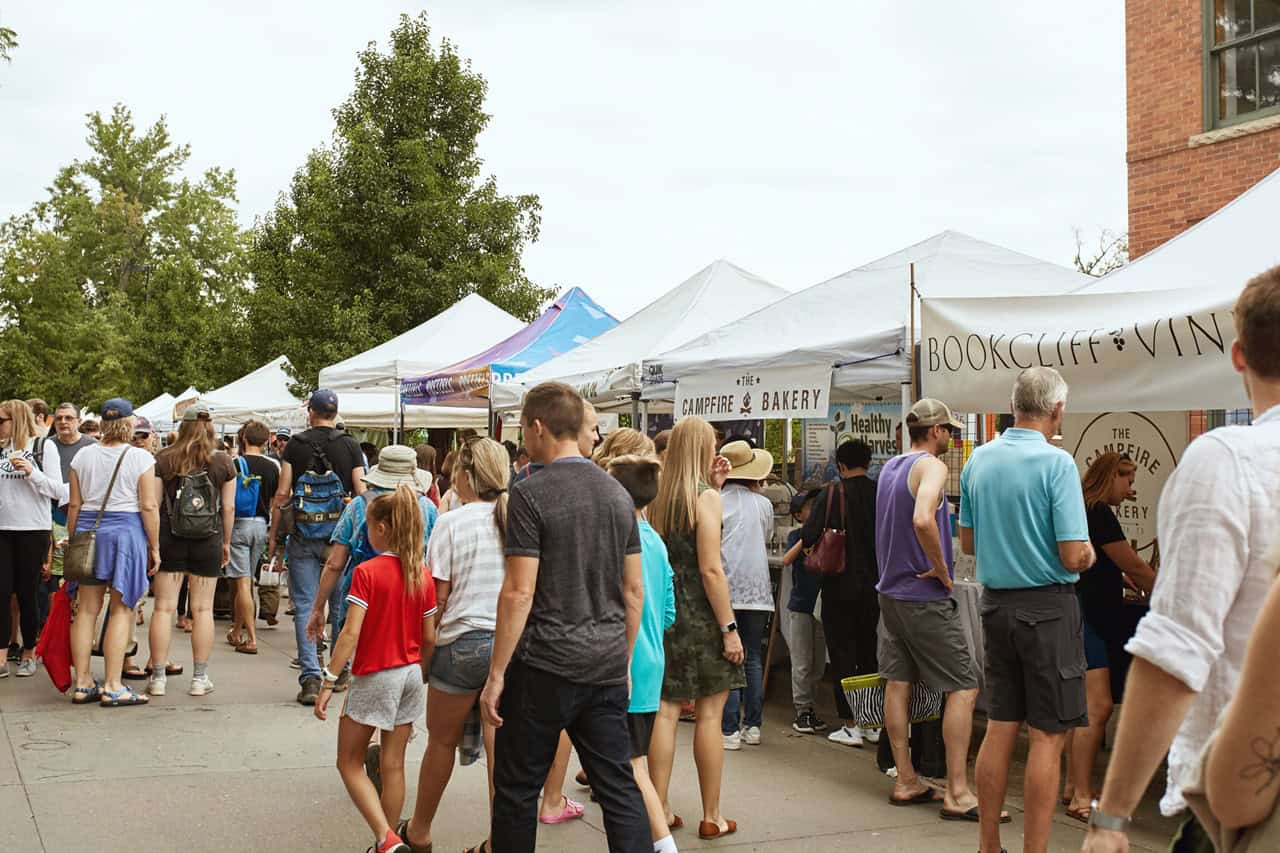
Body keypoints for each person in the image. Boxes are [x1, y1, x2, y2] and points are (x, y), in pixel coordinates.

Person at [1081, 269, 1280, 853]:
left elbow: (1176, 648)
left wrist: (1113, 816)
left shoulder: (1228, 461)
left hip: (1247, 799)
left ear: (1239, 355)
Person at [479, 382, 650, 852]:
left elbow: (519, 591)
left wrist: (496, 676)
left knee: (516, 791)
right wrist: (624, 658)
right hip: (605, 664)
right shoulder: (618, 496)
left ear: (538, 427)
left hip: (543, 665)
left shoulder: (530, 494)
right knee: (618, 787)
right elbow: (634, 590)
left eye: (523, 428)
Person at [960, 367, 1095, 853]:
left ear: (1014, 405)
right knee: (1047, 736)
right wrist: (1090, 554)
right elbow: (1072, 554)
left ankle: (989, 844)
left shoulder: (978, 459)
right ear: (1057, 410)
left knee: (999, 726)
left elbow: (968, 541)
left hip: (995, 606)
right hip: (1048, 608)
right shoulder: (1057, 464)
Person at [875, 399, 989, 817]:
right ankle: (958, 791)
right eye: (951, 432)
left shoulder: (890, 467)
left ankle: (905, 777)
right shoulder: (933, 467)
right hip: (923, 597)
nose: (953, 439)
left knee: (898, 682)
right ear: (937, 430)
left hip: (890, 594)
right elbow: (924, 519)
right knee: (964, 685)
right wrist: (941, 568)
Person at [400, 437, 509, 853]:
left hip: (461, 643)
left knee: (440, 743)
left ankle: (421, 831)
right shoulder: (521, 519)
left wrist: (424, 654)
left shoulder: (451, 523)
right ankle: (501, 839)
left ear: (465, 477)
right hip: (512, 645)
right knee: (505, 754)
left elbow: (437, 599)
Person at [315, 485, 437, 853]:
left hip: (376, 674)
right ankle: (388, 839)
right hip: (411, 673)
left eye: (368, 527)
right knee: (393, 763)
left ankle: (387, 839)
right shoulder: (423, 575)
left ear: (382, 528)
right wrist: (423, 670)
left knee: (349, 761)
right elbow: (429, 635)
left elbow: (350, 633)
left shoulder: (367, 573)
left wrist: (328, 680)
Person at [647, 416, 743, 841]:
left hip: (664, 610)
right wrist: (730, 627)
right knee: (709, 712)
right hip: (701, 614)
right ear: (703, 450)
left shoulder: (655, 498)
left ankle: (660, 808)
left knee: (665, 710)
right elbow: (710, 569)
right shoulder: (706, 499)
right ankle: (712, 814)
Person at [304, 445, 437, 694]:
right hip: (411, 596)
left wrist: (318, 607)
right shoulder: (427, 508)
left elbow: (335, 563)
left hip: (363, 597)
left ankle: (347, 682)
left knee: (366, 665)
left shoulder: (358, 505)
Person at [271, 389, 366, 705]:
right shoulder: (350, 445)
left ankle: (310, 678)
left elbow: (283, 494)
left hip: (303, 537)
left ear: (310, 411)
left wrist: (275, 536)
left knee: (306, 604)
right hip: (339, 538)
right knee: (340, 604)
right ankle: (338, 672)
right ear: (335, 413)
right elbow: (362, 490)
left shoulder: (295, 446)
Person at [608, 454, 680, 853]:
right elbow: (669, 612)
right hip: (652, 663)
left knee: (633, 765)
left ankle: (662, 844)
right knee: (628, 762)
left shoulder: (621, 541)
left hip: (625, 663)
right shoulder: (657, 541)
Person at [67, 398, 159, 706]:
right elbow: (148, 505)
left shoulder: (82, 455)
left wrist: (74, 538)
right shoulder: (140, 458)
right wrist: (154, 546)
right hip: (126, 533)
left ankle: (81, 682)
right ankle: (112, 684)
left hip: (89, 531)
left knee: (86, 609)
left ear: (103, 424)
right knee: (122, 609)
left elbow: (75, 504)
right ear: (130, 423)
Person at [148, 402, 236, 698]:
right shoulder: (223, 461)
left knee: (163, 608)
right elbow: (229, 507)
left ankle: (158, 677)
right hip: (208, 538)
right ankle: (199, 678)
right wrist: (226, 542)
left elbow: (154, 505)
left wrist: (153, 544)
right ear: (211, 428)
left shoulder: (164, 459)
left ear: (181, 428)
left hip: (170, 538)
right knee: (202, 610)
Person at [800, 439, 882, 748]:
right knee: (869, 651)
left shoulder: (832, 493)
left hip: (838, 584)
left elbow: (809, 534)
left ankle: (850, 724)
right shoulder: (880, 493)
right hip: (875, 585)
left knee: (842, 653)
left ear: (841, 465)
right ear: (869, 461)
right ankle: (872, 722)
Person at [716, 439, 775, 750]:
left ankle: (729, 730)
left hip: (724, 588)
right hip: (758, 591)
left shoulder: (715, 501)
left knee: (728, 658)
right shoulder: (763, 505)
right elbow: (766, 537)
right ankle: (753, 725)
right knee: (752, 656)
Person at [0, 399, 63, 677]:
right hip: (2, 528)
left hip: (31, 529)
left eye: (1, 421)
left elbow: (59, 490)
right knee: (1, 593)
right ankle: (1, 656)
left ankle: (29, 652)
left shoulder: (42, 446)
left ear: (16, 420)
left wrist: (31, 472)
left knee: (27, 593)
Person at [223, 420, 280, 656]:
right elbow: (277, 501)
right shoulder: (274, 465)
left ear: (243, 438)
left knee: (243, 583)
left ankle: (251, 638)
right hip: (261, 526)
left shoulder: (235, 463)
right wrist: (273, 533)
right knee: (245, 581)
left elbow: (227, 504)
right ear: (267, 440)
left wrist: (224, 539)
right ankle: (237, 630)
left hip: (239, 525)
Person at [779, 484, 827, 735]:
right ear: (799, 514)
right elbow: (787, 560)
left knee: (819, 662)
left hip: (822, 606)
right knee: (801, 662)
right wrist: (808, 534)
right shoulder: (796, 536)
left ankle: (811, 707)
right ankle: (802, 710)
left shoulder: (829, 534)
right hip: (800, 606)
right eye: (811, 508)